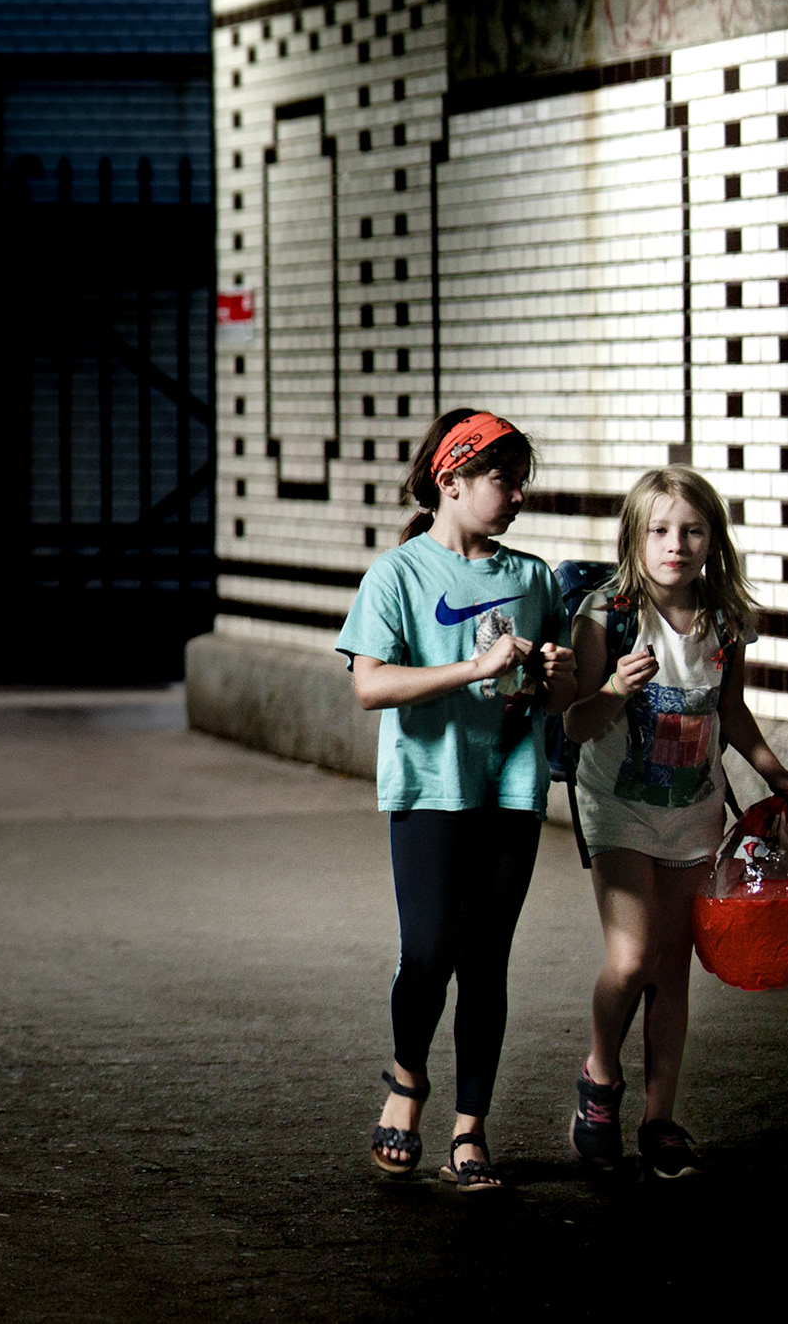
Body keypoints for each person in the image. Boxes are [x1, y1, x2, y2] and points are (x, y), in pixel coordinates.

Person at [337, 408, 576, 1191]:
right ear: (453, 480)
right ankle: (409, 1080)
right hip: (431, 783)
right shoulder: (398, 575)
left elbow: (557, 692)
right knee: (429, 950)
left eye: (520, 482)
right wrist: (473, 670)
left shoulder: (533, 577)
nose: (517, 497)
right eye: (505, 480)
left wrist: (555, 671)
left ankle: (470, 1128)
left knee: (486, 960)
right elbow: (371, 685)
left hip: (510, 784)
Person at [560, 466, 788, 1179]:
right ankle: (599, 1078)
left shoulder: (724, 620)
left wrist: (772, 769)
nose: (677, 544)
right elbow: (576, 723)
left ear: (714, 540)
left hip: (695, 811)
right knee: (633, 957)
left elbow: (730, 711)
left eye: (693, 530)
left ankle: (660, 1118)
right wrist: (613, 686)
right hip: (617, 805)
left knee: (673, 971)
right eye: (661, 529)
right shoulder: (603, 615)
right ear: (635, 537)